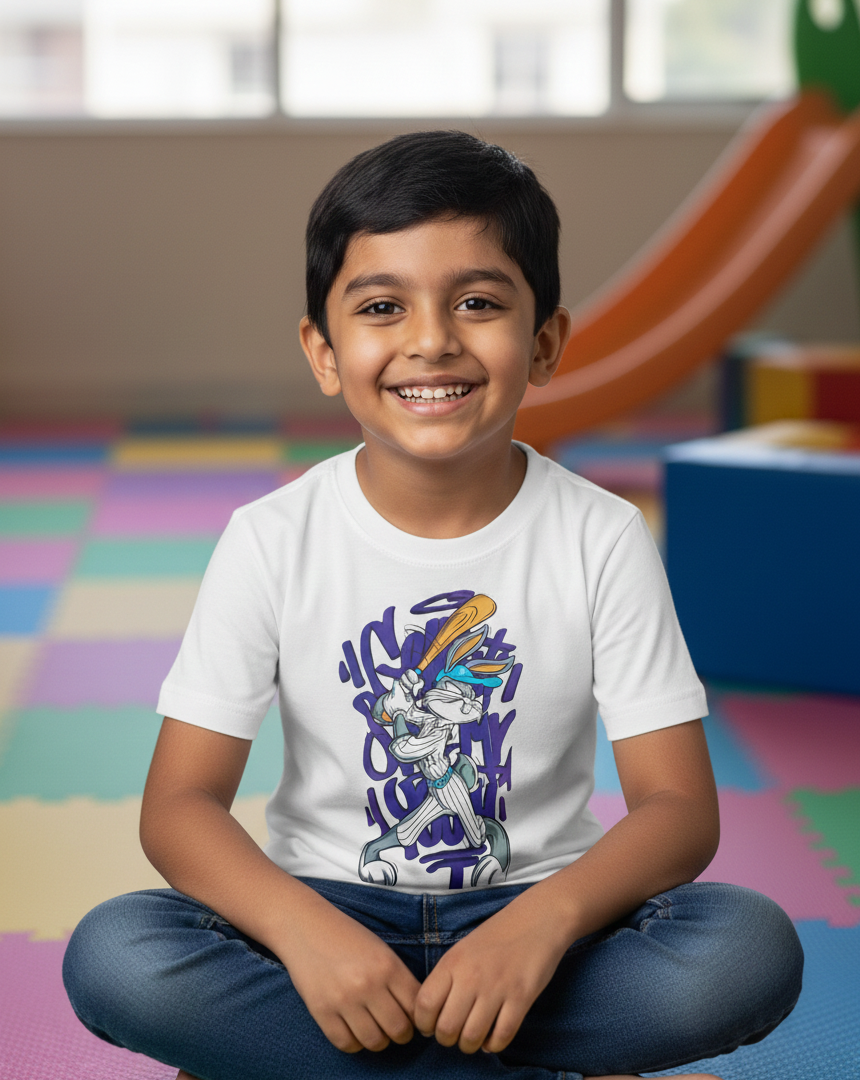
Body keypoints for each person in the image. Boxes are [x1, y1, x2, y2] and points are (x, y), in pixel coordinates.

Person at [62, 131, 803, 1080]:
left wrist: (539, 929)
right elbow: (177, 806)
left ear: (543, 345)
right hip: (327, 917)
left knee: (746, 951)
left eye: (479, 303)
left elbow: (678, 811)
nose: (431, 340)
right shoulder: (272, 537)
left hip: (539, 926)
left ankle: (361, 1057)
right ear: (324, 352)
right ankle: (478, 1055)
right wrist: (306, 937)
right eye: (381, 307)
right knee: (119, 956)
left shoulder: (601, 536)